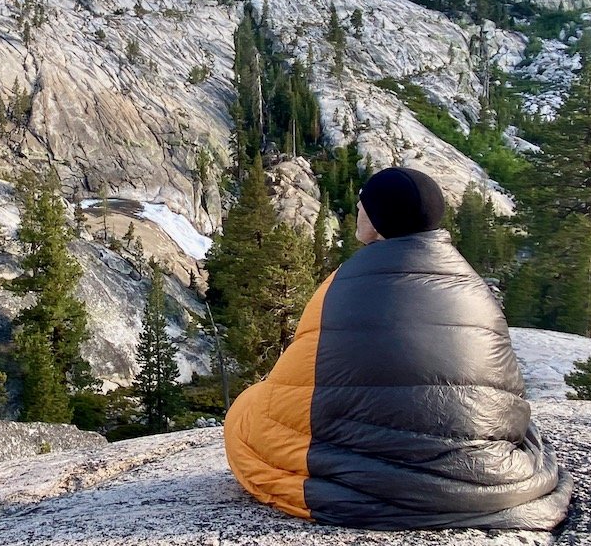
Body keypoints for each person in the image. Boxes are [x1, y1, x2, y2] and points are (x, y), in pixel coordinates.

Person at [223, 166, 571, 530]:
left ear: (376, 220)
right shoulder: (474, 286)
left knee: (246, 413)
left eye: (362, 204)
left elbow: (296, 387)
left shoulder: (343, 285)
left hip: (368, 474)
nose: (357, 208)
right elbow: (508, 393)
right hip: (492, 472)